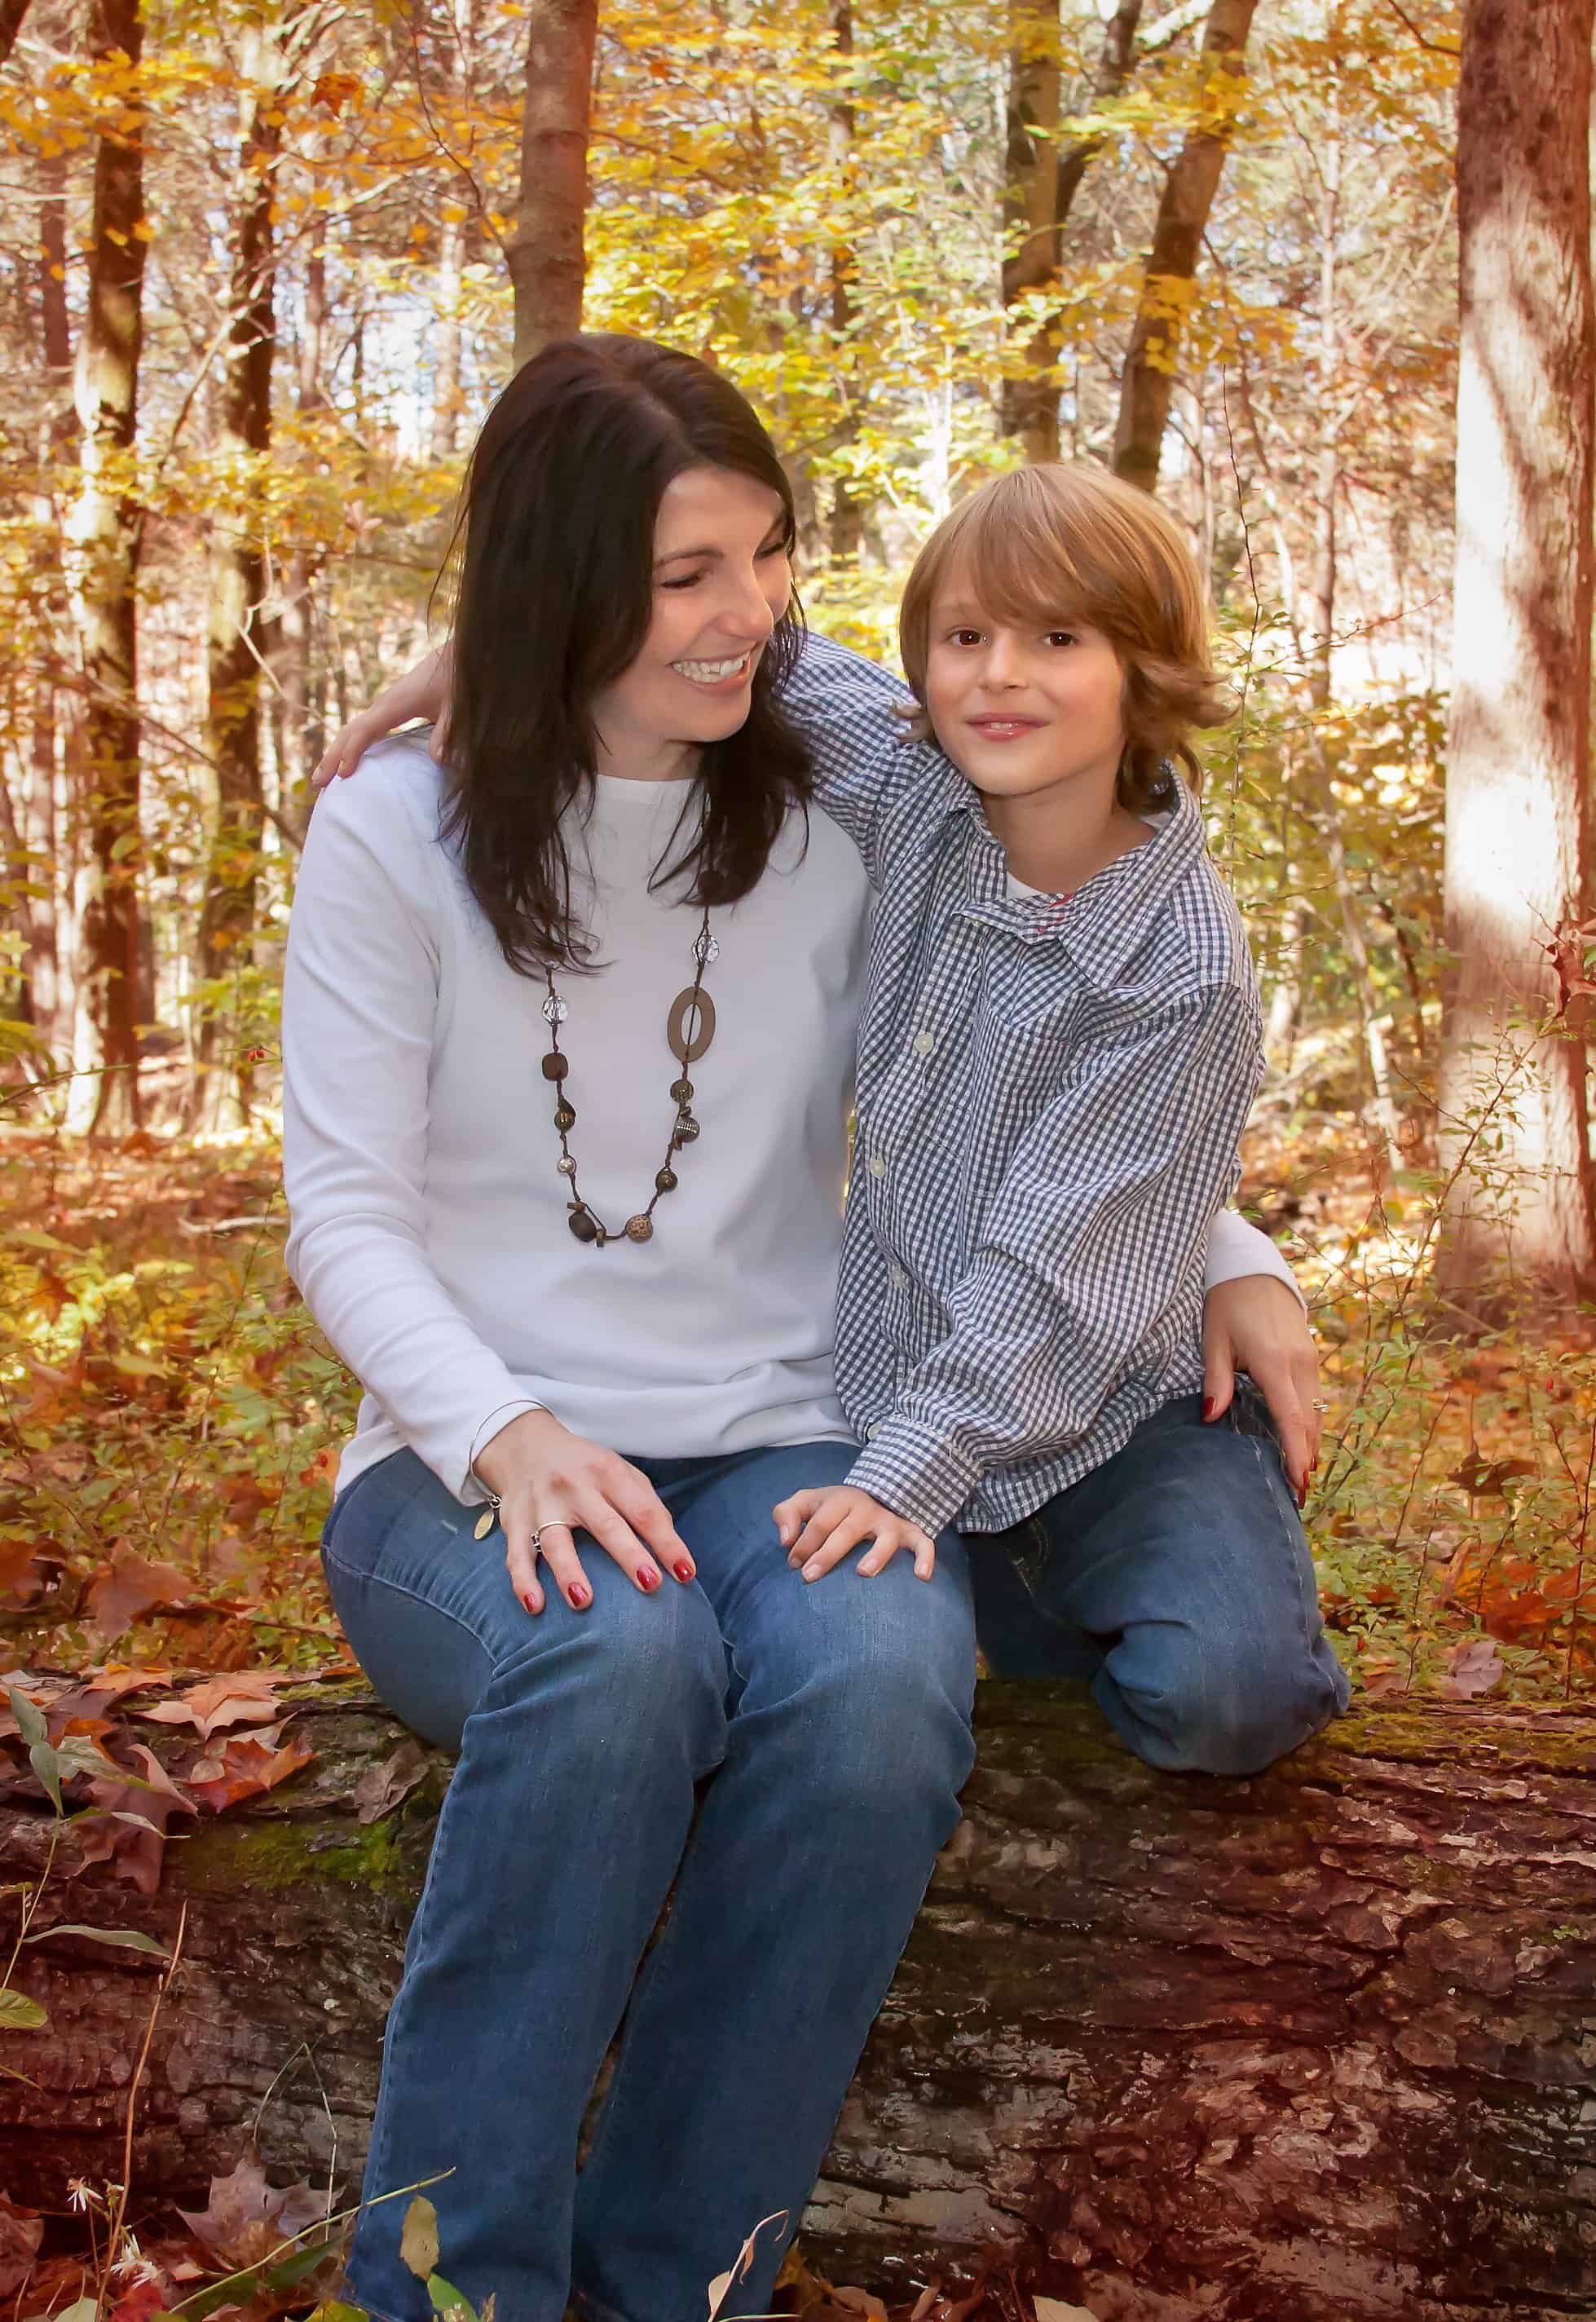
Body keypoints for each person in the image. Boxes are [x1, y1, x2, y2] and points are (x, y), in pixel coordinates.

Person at [293, 333, 1324, 2322]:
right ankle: (446, 2287)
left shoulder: (847, 801)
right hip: (459, 1462)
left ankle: (686, 2280)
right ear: (564, 576)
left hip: (791, 1436)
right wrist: (507, 1435)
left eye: (765, 557)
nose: (753, 613)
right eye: (686, 575)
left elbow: (1057, 1043)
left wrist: (1220, 1238)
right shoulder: (391, 834)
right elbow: (339, 1213)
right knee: (619, 1663)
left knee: (867, 1692)